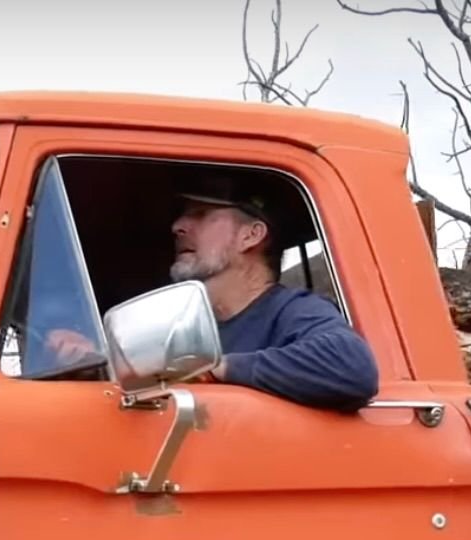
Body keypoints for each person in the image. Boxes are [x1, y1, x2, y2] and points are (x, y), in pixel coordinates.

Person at [36, 170, 380, 412]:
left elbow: (351, 366)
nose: (178, 227)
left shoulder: (291, 312)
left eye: (200, 214)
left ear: (251, 236)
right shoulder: (174, 328)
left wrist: (216, 369)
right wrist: (92, 363)